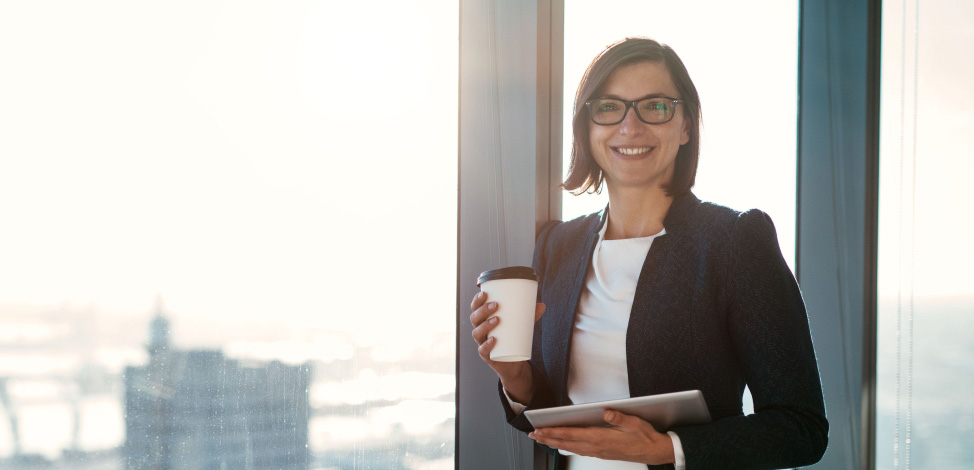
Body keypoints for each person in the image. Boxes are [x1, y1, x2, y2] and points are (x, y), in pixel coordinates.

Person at [469, 37, 828, 470]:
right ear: (586, 127)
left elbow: (801, 429)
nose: (630, 127)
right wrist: (515, 379)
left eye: (655, 107)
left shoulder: (734, 241)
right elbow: (550, 420)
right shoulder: (558, 244)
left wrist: (666, 449)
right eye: (609, 107)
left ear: (686, 126)